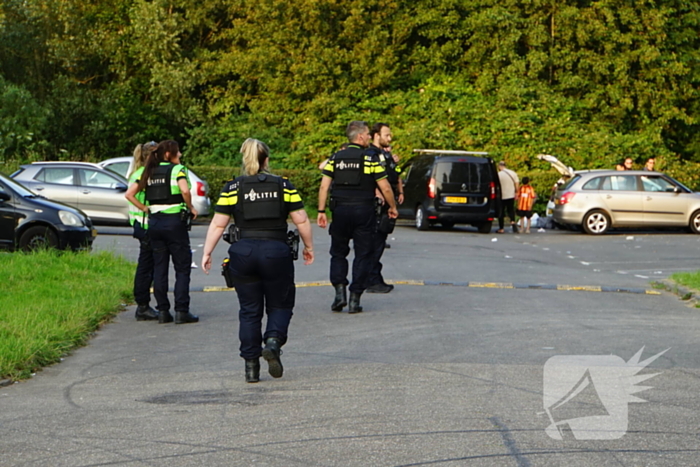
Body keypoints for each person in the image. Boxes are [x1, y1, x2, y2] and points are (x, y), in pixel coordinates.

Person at [201, 138, 314, 383]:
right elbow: (302, 220)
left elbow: (218, 223)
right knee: (280, 305)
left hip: (243, 253)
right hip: (276, 252)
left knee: (249, 311)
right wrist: (308, 246)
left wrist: (207, 252)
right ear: (267, 160)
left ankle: (251, 368)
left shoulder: (232, 188)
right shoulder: (283, 186)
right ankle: (272, 342)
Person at [317, 121, 398, 313]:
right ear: (360, 137)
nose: (370, 137)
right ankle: (355, 299)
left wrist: (321, 211)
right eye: (368, 134)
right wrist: (392, 206)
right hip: (364, 211)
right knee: (363, 254)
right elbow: (385, 186)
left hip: (340, 211)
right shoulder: (370, 159)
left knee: (338, 253)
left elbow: (324, 186)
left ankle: (339, 293)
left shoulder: (336, 158)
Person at [125, 140, 199, 325]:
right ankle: (182, 310)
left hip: (153, 223)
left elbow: (129, 194)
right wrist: (190, 207)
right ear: (168, 154)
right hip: (173, 222)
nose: (180, 155)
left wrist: (145, 209)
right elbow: (184, 190)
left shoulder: (146, 171)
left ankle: (163, 311)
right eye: (178, 151)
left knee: (159, 267)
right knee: (182, 267)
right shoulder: (177, 170)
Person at [365, 123, 402, 293]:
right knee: (375, 242)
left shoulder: (383, 155)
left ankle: (373, 276)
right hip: (378, 206)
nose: (390, 138)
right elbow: (369, 178)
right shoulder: (371, 154)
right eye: (386, 135)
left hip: (387, 203)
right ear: (376, 135)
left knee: (379, 242)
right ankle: (371, 279)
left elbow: (394, 176)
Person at [126, 141, 159, 321]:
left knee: (147, 265)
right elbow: (130, 195)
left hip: (139, 223)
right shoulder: (143, 174)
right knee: (146, 266)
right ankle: (143, 305)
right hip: (144, 224)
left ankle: (143, 303)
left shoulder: (137, 172)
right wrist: (145, 208)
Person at [497, 160, 519, 233]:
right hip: (511, 195)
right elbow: (516, 184)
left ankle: (501, 228)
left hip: (502, 196)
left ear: (499, 166)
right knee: (511, 210)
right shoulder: (513, 173)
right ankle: (512, 222)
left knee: (501, 211)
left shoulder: (498, 175)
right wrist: (516, 192)